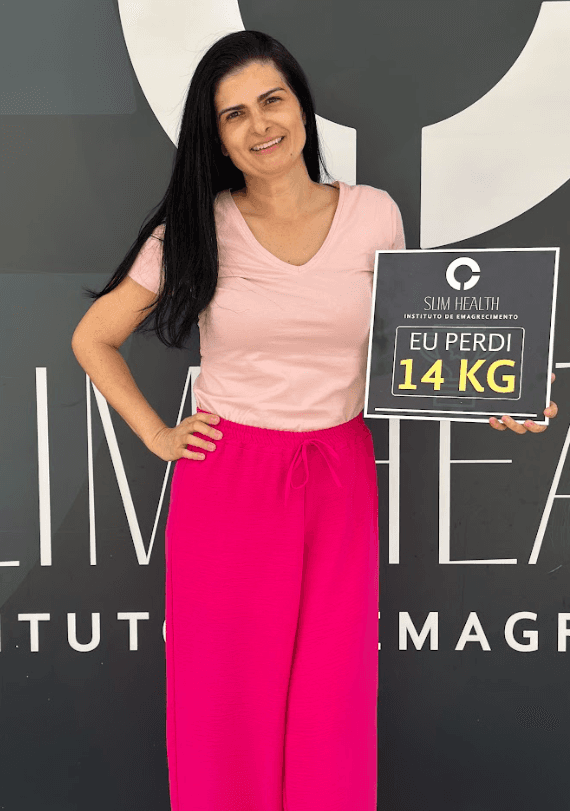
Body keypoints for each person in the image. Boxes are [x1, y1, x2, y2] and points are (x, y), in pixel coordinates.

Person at [71, 29, 558, 811]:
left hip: (338, 473)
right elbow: (92, 338)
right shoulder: (196, 229)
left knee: (329, 700)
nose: (260, 125)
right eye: (234, 114)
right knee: (224, 703)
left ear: (302, 106)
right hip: (228, 481)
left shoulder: (374, 215)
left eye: (273, 100)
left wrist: (494, 393)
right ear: (216, 136)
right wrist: (161, 435)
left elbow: (410, 351)